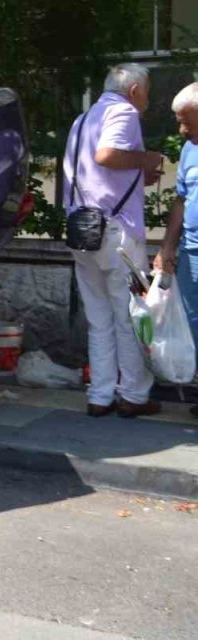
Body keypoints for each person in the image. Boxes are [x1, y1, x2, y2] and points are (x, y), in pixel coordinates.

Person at [63, 63, 165, 418]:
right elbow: (106, 155)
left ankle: (100, 395)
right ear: (135, 90)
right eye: (148, 91)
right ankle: (133, 396)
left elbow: (93, 172)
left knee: (99, 318)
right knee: (131, 316)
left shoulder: (82, 120)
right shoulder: (124, 111)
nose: (148, 99)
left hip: (82, 232)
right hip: (118, 235)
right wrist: (147, 158)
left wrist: (137, 173)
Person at [153, 82, 198, 415]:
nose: (181, 129)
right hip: (192, 251)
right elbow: (181, 200)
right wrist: (168, 246)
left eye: (187, 120)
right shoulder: (188, 150)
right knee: (194, 323)